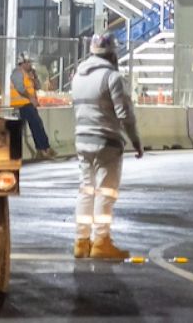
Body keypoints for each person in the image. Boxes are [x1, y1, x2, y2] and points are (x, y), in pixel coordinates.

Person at [70, 33, 143, 261]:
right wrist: (136, 141)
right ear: (111, 53)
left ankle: (81, 242)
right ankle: (101, 241)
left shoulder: (78, 76)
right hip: (106, 142)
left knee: (86, 190)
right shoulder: (112, 77)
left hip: (82, 140)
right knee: (105, 191)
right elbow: (125, 115)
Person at [9, 52, 56, 160]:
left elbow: (38, 87)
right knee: (36, 125)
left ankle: (43, 149)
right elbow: (20, 88)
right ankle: (44, 148)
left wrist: (34, 78)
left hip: (27, 104)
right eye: (29, 62)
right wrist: (31, 98)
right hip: (22, 104)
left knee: (36, 125)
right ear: (23, 63)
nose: (31, 64)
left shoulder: (28, 74)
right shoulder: (17, 72)